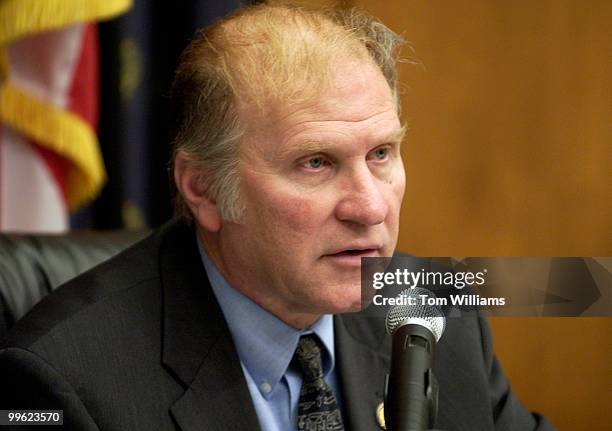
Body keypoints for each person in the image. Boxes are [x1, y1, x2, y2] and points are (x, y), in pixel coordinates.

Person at [0, 3, 554, 430]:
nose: (370, 206)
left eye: (381, 154)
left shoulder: (434, 312)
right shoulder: (64, 383)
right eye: (315, 163)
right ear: (203, 188)